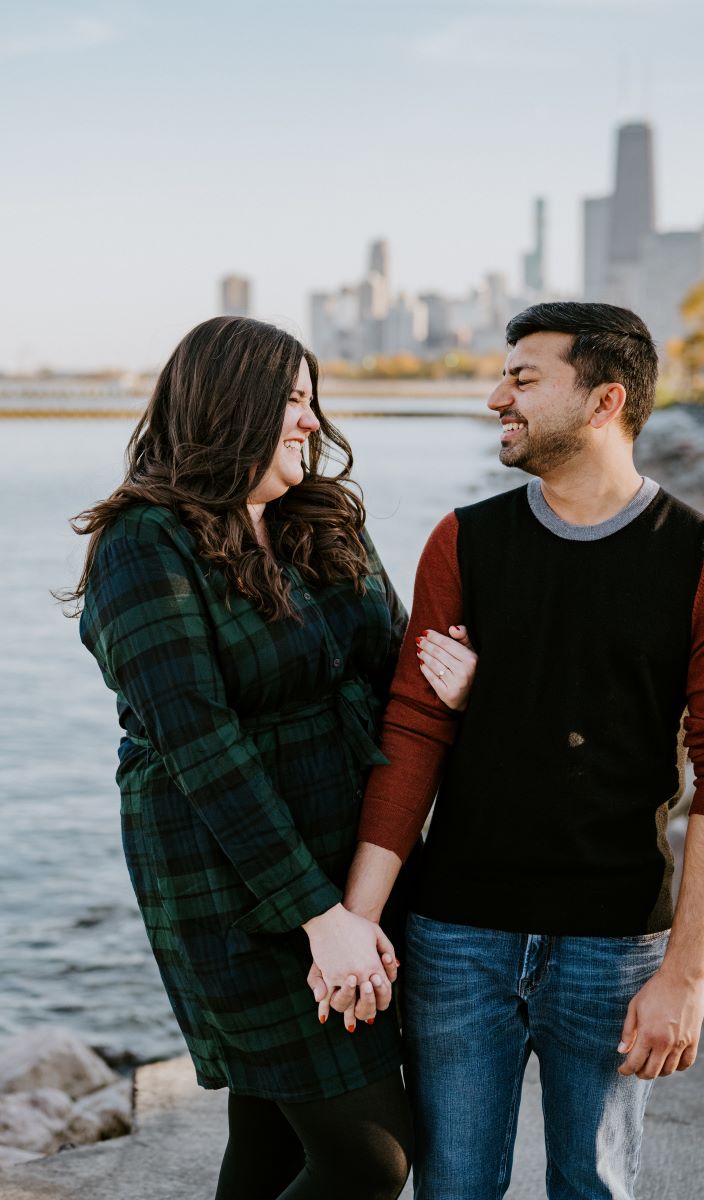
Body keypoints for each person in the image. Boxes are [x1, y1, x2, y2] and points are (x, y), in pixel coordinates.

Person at [336, 302, 704, 1199]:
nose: (497, 396)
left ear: (604, 400)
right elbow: (413, 732)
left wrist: (685, 976)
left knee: (594, 1186)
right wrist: (360, 917)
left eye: (523, 379)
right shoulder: (464, 542)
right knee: (455, 1188)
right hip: (457, 934)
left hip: (613, 943)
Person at [67, 316, 477, 1200]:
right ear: (230, 406)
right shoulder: (145, 544)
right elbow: (199, 745)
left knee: (270, 1133)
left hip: (354, 864)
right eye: (292, 400)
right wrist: (319, 917)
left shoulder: (321, 522)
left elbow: (391, 673)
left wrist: (458, 682)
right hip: (231, 885)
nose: (312, 421)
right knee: (369, 1157)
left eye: (312, 399)